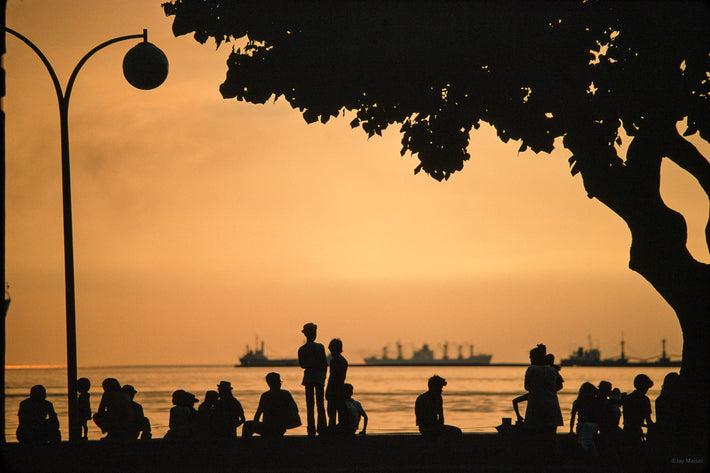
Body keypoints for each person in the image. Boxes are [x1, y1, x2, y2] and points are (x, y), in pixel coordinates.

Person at [243, 372, 301, 437]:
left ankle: (245, 445)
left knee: (247, 425)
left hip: (269, 428)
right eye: (279, 381)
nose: (280, 383)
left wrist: (254, 425)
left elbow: (258, 413)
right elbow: (295, 410)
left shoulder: (265, 396)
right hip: (281, 429)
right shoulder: (286, 394)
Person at [523, 344, 563, 435]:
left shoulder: (531, 369)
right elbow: (560, 386)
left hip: (536, 406)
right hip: (552, 405)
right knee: (551, 435)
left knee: (537, 436)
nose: (530, 360)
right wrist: (549, 391)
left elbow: (526, 387)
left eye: (531, 358)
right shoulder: (553, 370)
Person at [298, 322, 328, 437]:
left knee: (310, 405)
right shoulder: (320, 347)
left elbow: (302, 365)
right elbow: (325, 364)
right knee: (320, 404)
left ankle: (311, 429)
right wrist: (323, 375)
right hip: (319, 378)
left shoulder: (302, 349)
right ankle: (322, 428)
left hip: (309, 378)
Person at [622, 374, 654, 449]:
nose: (646, 390)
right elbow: (648, 420)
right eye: (646, 388)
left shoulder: (627, 398)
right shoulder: (644, 400)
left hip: (626, 432)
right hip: (636, 434)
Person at [570, 382, 601, 457]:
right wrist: (571, 430)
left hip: (592, 426)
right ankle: (593, 454)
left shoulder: (595, 401)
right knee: (586, 428)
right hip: (582, 426)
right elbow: (573, 417)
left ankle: (583, 448)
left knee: (587, 426)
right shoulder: (578, 402)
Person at [326, 338, 348, 430]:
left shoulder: (336, 361)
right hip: (338, 390)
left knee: (333, 414)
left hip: (335, 390)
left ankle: (333, 431)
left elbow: (333, 378)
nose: (330, 351)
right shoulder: (341, 361)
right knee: (337, 414)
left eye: (331, 349)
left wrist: (328, 390)